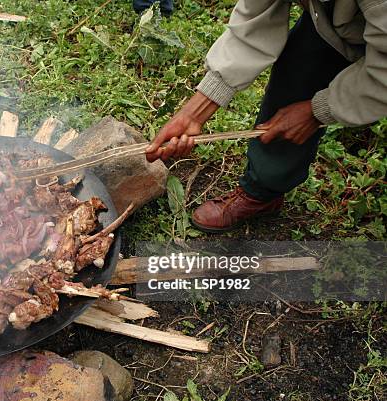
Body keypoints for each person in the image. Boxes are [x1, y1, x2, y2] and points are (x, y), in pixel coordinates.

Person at [145, 0, 387, 233]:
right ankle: (263, 192)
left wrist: (318, 111)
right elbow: (253, 26)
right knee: (299, 67)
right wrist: (194, 114)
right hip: (340, 23)